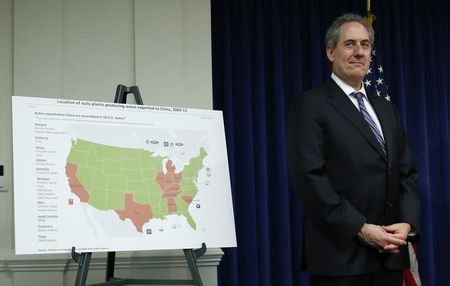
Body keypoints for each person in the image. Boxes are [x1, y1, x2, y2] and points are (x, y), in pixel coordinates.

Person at [287, 13, 420, 286]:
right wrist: (360, 228)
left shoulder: (387, 109)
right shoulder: (310, 105)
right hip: (341, 258)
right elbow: (309, 178)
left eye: (365, 45)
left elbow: (406, 174)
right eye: (349, 44)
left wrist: (407, 224)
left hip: (390, 254)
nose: (359, 52)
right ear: (330, 51)